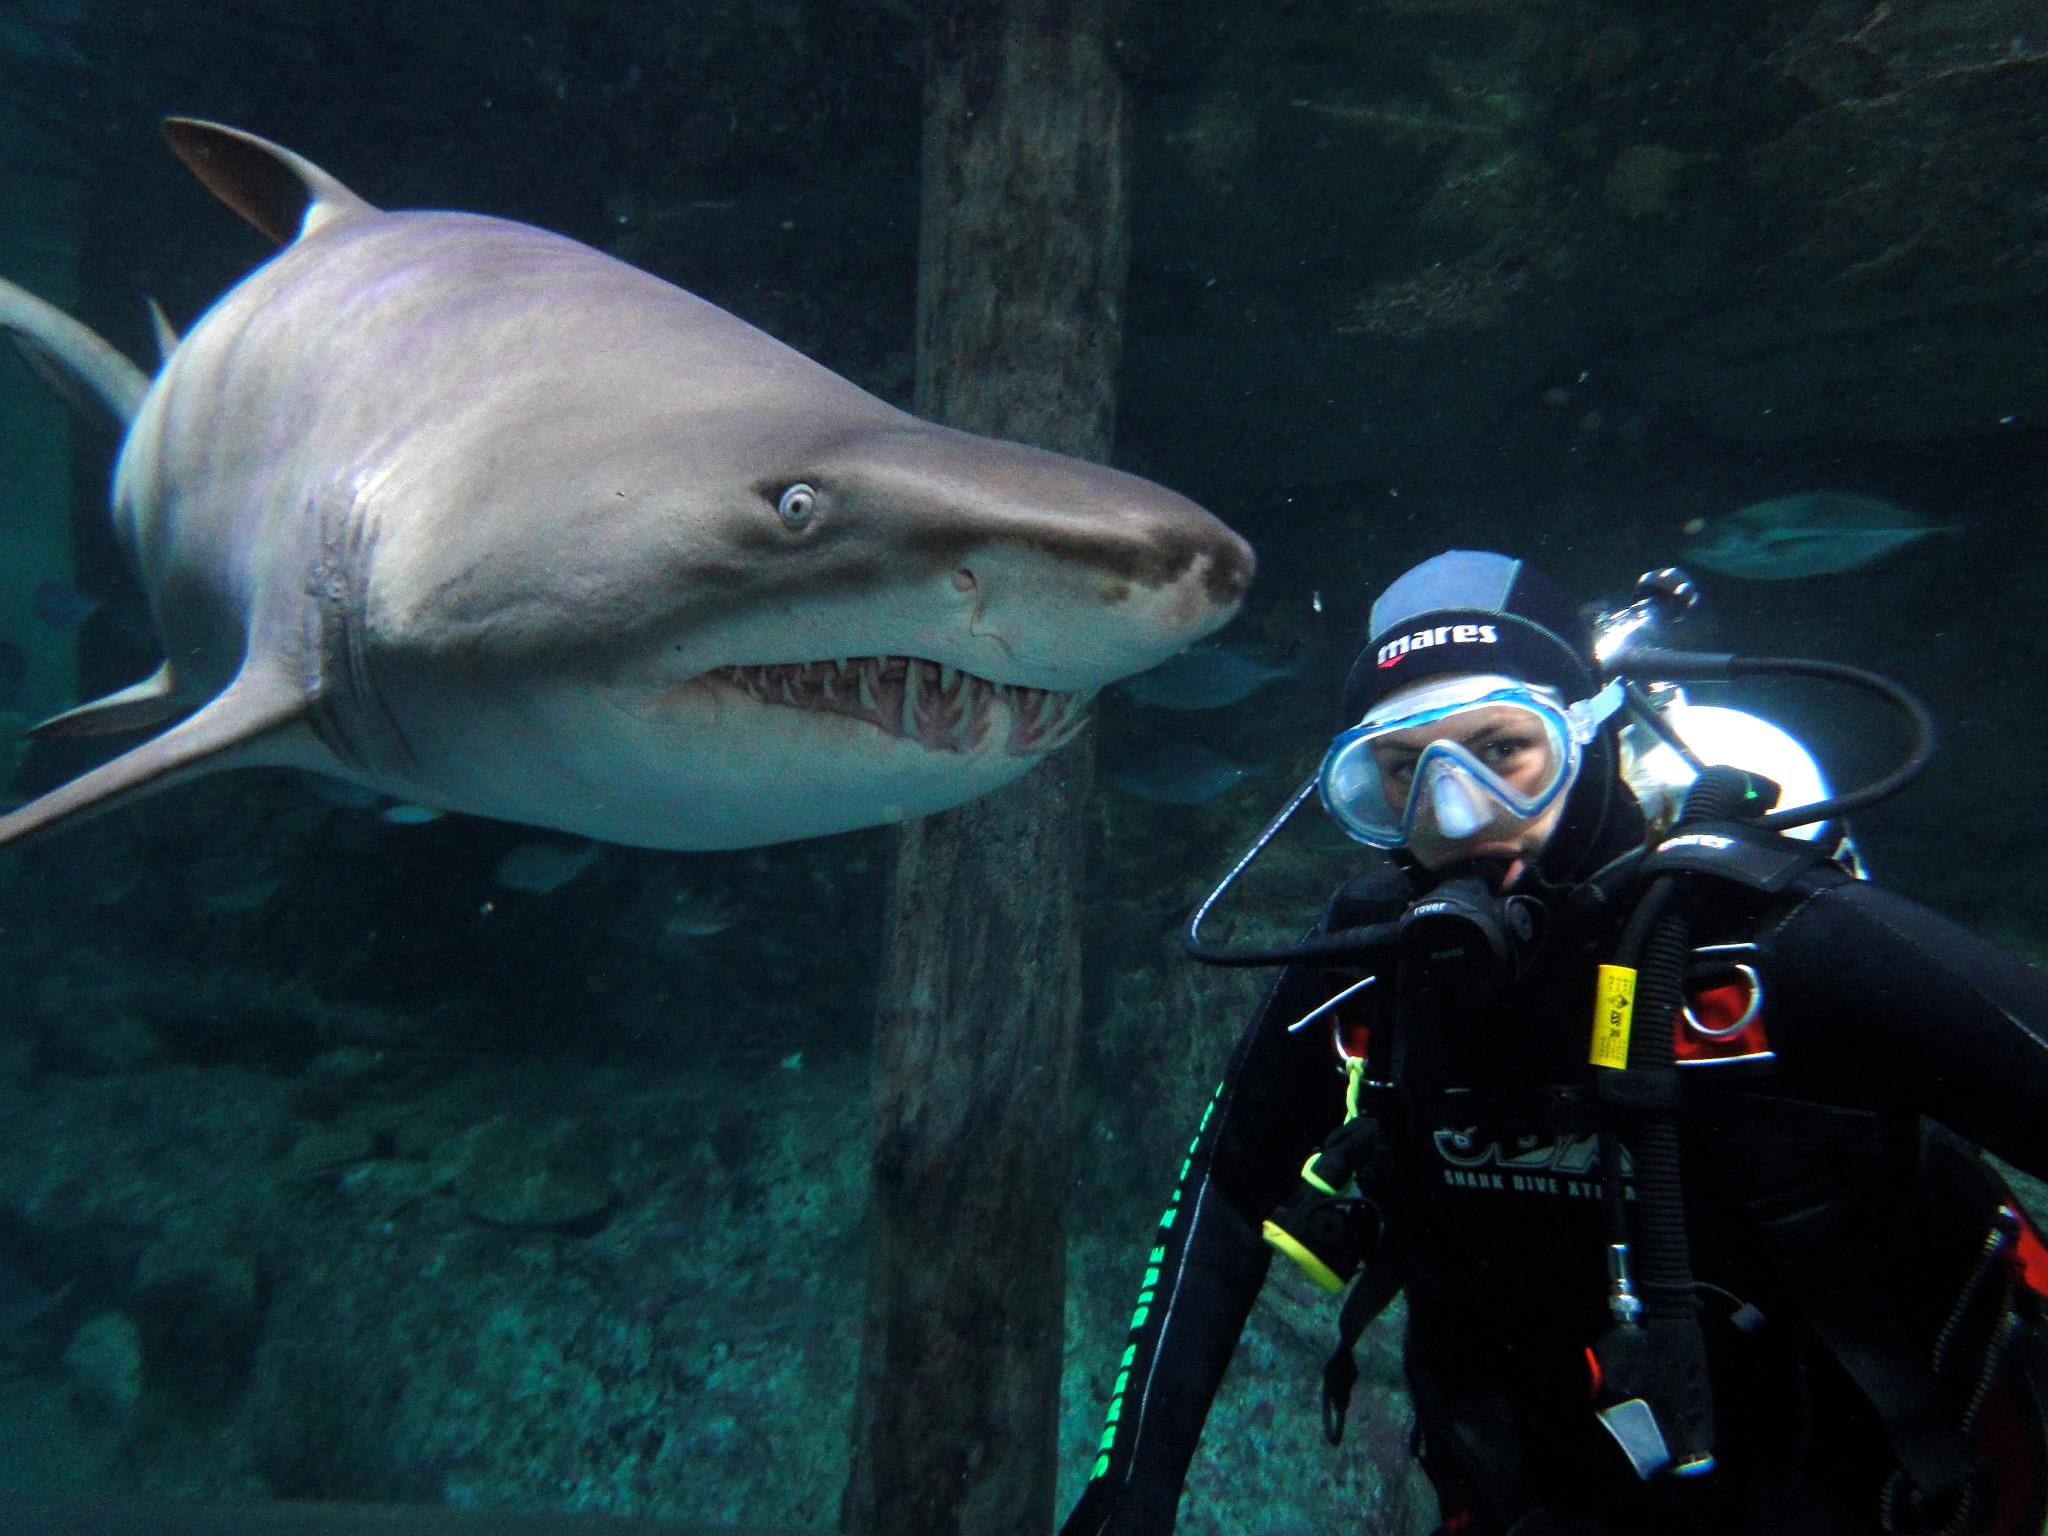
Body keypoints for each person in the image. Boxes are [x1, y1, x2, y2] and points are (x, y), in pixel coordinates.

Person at [1063, 550, 2048, 1536]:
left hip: (1879, 1495)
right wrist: (1126, 1498)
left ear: (1589, 736)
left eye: (1501, 750)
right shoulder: (1368, 963)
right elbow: (1226, 1196)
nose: (1455, 815)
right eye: (1402, 771)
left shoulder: (1771, 943)